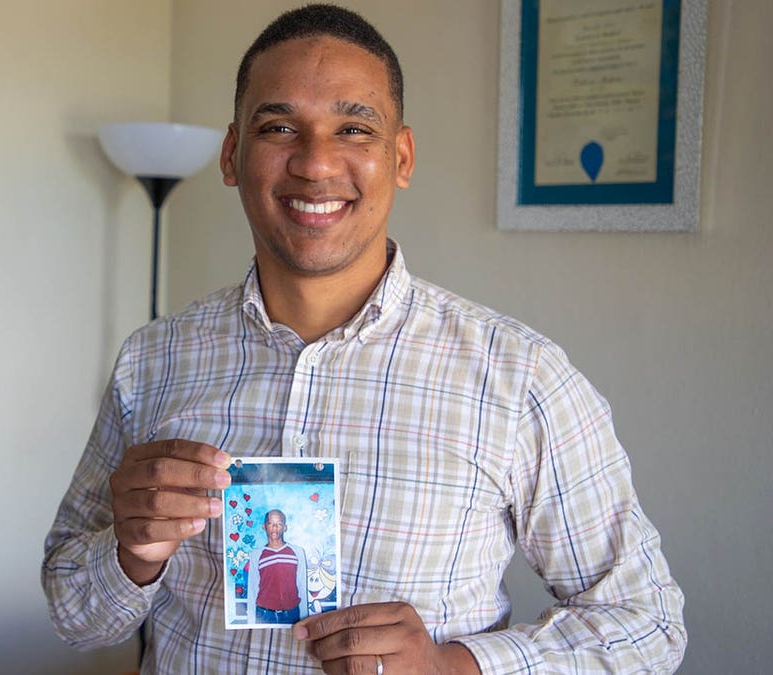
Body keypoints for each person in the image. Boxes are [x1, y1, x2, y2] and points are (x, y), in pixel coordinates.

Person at [42, 4, 686, 673]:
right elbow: (72, 612)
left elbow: (648, 624)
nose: (317, 163)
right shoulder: (153, 360)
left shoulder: (520, 377)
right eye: (280, 126)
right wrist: (130, 553)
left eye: (354, 127)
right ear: (232, 155)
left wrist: (456, 666)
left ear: (399, 156)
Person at [246, 509, 308, 624]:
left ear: (285, 527)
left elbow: (302, 586)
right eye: (270, 523)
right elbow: (252, 589)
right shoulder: (256, 555)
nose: (274, 527)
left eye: (279, 524)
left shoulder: (297, 552)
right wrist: (251, 621)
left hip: (292, 614)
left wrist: (304, 619)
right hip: (264, 615)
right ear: (264, 527)